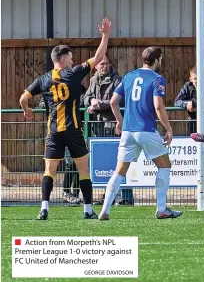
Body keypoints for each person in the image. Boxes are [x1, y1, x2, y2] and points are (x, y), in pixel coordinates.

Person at [20, 18, 112, 220]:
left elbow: (23, 98)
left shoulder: (43, 79)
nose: (72, 61)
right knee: (83, 170)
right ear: (62, 60)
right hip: (73, 129)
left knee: (49, 170)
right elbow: (97, 57)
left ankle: (44, 208)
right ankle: (88, 210)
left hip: (54, 130)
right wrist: (105, 35)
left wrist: (27, 110)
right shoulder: (73, 73)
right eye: (70, 58)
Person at [98, 46, 182, 220]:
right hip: (146, 130)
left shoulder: (129, 76)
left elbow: (113, 102)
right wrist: (168, 128)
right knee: (165, 166)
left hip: (128, 131)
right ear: (157, 60)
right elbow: (158, 106)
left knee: (119, 171)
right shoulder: (157, 79)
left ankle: (105, 210)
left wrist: (120, 122)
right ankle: (161, 209)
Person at [84, 55, 134, 206]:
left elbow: (120, 100)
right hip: (99, 126)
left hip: (114, 125)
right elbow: (85, 97)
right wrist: (91, 101)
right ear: (96, 67)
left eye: (106, 63)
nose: (104, 66)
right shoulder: (93, 80)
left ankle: (126, 196)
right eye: (101, 64)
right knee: (104, 163)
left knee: (121, 160)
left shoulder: (117, 79)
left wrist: (101, 104)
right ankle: (108, 196)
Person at [175, 66, 204, 202]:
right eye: (195, 79)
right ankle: (201, 192)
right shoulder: (187, 87)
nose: (197, 82)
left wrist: (194, 103)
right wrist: (186, 104)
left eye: (199, 79)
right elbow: (177, 101)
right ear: (190, 79)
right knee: (196, 159)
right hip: (194, 126)